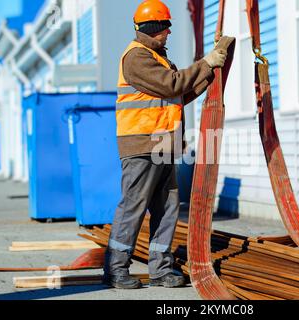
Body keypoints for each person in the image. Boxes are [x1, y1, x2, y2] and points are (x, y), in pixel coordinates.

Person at [103, 0, 230, 289]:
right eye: (165, 28)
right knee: (133, 206)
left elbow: (179, 94)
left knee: (168, 207)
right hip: (142, 145)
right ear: (153, 28)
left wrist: (209, 72)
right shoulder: (137, 58)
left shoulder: (158, 58)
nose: (169, 33)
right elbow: (173, 84)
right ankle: (115, 268)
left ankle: (160, 269)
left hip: (162, 145)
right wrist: (205, 63)